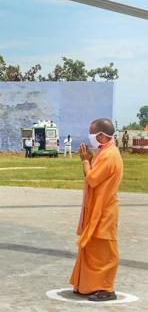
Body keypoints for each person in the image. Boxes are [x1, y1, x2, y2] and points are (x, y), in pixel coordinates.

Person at [70, 118, 123, 302]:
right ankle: (88, 286)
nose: (90, 136)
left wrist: (85, 161)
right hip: (96, 209)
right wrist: (90, 160)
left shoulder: (110, 155)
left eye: (92, 132)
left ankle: (107, 289)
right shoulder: (104, 151)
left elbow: (92, 179)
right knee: (92, 249)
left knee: (105, 252)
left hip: (105, 210)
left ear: (101, 135)